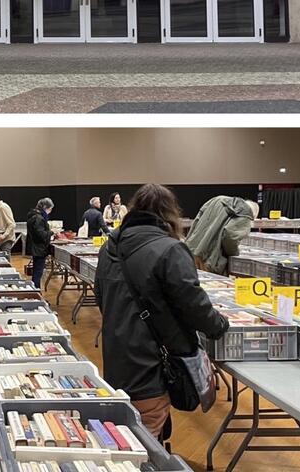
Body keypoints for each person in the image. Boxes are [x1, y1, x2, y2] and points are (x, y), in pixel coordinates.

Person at [94, 183, 229, 439]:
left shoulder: (109, 248)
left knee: (128, 431)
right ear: (169, 213)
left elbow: (101, 298)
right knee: (146, 440)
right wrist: (218, 325)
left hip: (117, 358)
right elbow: (194, 305)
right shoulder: (170, 249)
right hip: (152, 365)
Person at [185, 196, 259, 274]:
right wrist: (234, 254)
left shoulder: (217, 199)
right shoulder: (245, 213)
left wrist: (188, 243)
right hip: (210, 259)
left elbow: (196, 221)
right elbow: (230, 237)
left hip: (192, 251)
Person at [26, 197, 56, 288]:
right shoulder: (39, 218)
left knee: (37, 271)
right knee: (38, 272)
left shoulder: (33, 215)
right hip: (39, 249)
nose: (50, 211)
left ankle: (36, 290)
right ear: (45, 207)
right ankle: (36, 291)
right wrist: (52, 232)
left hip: (35, 247)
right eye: (50, 209)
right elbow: (41, 234)